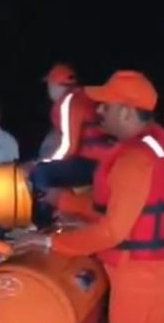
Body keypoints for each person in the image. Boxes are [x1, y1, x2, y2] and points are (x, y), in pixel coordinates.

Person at [14, 70, 164, 323]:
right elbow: (135, 207)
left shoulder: (133, 159)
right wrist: (67, 202)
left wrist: (50, 242)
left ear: (126, 112)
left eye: (106, 106)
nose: (98, 111)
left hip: (141, 286)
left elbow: (112, 232)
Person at [28, 63, 116, 228]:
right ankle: (63, 213)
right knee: (53, 169)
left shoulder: (69, 102)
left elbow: (69, 145)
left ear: (56, 85)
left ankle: (45, 222)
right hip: (102, 160)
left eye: (49, 85)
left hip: (95, 163)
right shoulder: (83, 97)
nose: (48, 90)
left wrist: (42, 163)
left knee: (41, 172)